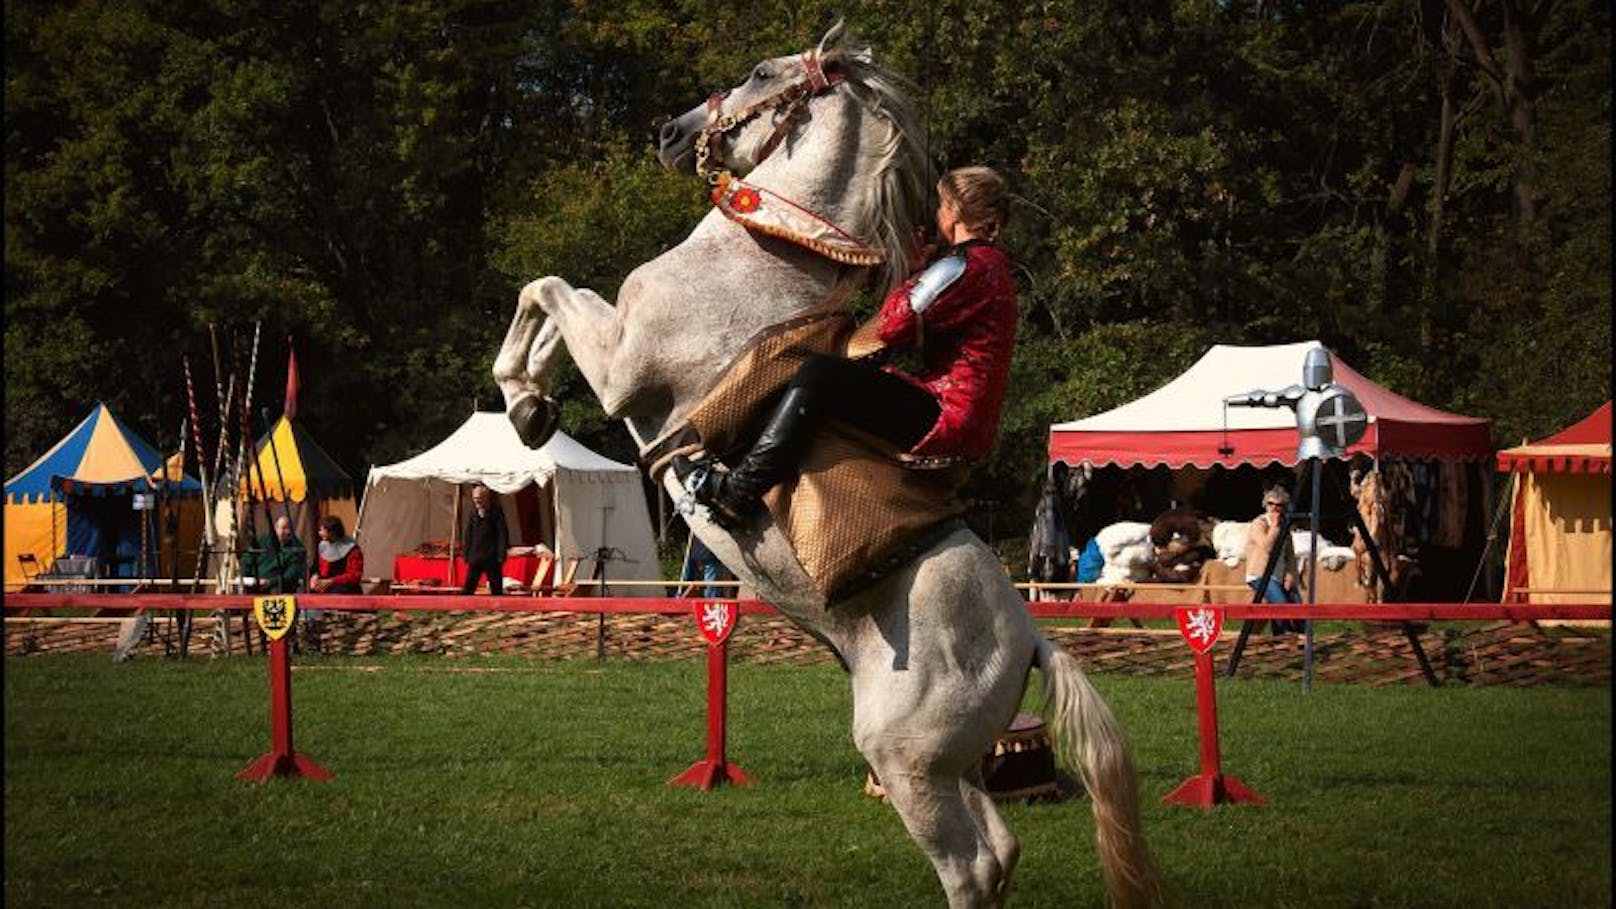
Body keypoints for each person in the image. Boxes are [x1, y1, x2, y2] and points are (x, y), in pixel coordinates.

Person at [674, 165, 1018, 528]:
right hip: (964, 419)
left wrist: (912, 273)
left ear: (956, 212)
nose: (938, 214)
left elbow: (892, 325)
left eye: (942, 205)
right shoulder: (992, 266)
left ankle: (737, 491)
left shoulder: (961, 266)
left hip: (945, 414)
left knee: (818, 373)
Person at [1245, 486, 1302, 633]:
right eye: (1271, 504)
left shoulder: (1285, 526)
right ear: (1266, 505)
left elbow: (1290, 554)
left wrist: (1290, 575)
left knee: (1297, 603)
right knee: (1280, 604)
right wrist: (1275, 526)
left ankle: (1303, 637)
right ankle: (1282, 637)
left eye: (1279, 505)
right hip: (1260, 575)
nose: (1274, 508)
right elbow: (1267, 546)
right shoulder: (1259, 523)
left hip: (1279, 574)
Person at [460, 484, 510, 595]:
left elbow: (502, 534)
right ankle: (465, 608)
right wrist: (466, 553)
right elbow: (468, 534)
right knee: (469, 587)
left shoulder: (496, 512)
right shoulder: (473, 512)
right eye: (475, 499)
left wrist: (501, 554)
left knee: (496, 588)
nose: (477, 502)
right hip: (476, 556)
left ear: (486, 498)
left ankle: (497, 609)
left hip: (492, 557)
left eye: (479, 499)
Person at [245, 515, 306, 595]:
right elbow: (247, 559)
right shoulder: (262, 541)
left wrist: (271, 582)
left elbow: (291, 574)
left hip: (279, 588)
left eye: (289, 528)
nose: (287, 532)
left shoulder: (296, 547)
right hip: (255, 584)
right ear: (275, 528)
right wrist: (246, 578)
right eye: (284, 528)